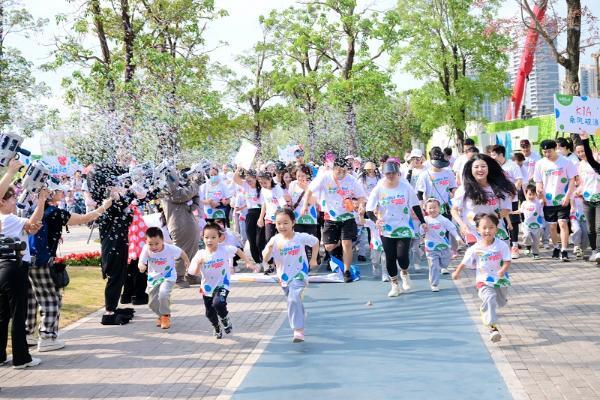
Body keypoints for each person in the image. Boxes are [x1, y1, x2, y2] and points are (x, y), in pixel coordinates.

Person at [27, 182, 112, 352]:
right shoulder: (56, 213)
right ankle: (47, 337)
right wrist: (104, 207)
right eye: (59, 190)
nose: (63, 192)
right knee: (51, 298)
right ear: (50, 193)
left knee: (32, 298)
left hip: (27, 259)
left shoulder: (33, 210)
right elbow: (85, 218)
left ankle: (28, 334)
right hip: (43, 261)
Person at [0, 159, 45, 369]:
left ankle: (1, 355)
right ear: (2, 200)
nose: (15, 201)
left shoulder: (5, 219)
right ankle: (21, 358)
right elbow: (33, 223)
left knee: (2, 315)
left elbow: (30, 228)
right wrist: (42, 201)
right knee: (19, 315)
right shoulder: (7, 218)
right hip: (14, 267)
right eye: (12, 198)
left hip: (2, 268)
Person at [366, 161, 426, 297]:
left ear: (398, 174)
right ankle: (394, 285)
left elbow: (415, 206)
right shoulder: (379, 188)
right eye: (388, 173)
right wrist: (376, 221)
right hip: (386, 228)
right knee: (390, 257)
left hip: (404, 226)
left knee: (402, 256)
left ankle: (404, 272)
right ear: (384, 174)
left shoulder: (405, 187)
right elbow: (369, 210)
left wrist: (423, 222)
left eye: (393, 173)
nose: (391, 176)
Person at [302, 157, 366, 283]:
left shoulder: (351, 180)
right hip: (330, 217)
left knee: (346, 244)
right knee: (329, 246)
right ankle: (339, 245)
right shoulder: (325, 178)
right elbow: (309, 190)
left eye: (344, 171)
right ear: (333, 169)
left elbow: (362, 197)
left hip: (347, 216)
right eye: (339, 171)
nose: (342, 174)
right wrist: (305, 205)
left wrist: (361, 205)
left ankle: (347, 271)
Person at [262, 208, 319, 343]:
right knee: (293, 299)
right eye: (279, 223)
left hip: (300, 273)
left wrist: (313, 259)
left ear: (293, 222)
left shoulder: (300, 237)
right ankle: (301, 315)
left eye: (285, 223)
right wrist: (269, 249)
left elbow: (315, 242)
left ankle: (298, 330)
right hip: (284, 277)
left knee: (293, 299)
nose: (282, 226)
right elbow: (265, 258)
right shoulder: (274, 240)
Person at [188, 223, 253, 339]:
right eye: (206, 237)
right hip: (207, 287)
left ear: (219, 238)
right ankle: (216, 326)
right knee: (209, 313)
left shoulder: (224, 250)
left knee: (218, 303)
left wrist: (247, 261)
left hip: (223, 284)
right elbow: (194, 273)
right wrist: (198, 264)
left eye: (213, 237)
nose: (209, 240)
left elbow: (238, 250)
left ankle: (225, 319)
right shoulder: (200, 254)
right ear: (202, 238)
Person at [452, 213, 511, 343]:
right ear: (478, 229)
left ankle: (488, 309)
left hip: (500, 280)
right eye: (484, 228)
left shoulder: (502, 245)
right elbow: (464, 262)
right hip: (483, 281)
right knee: (490, 299)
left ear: (496, 228)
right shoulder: (475, 248)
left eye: (491, 227)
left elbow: (507, 260)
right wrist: (457, 272)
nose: (487, 231)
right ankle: (493, 328)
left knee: (500, 302)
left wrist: (503, 270)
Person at [451, 154, 516, 245]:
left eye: (483, 166)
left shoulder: (499, 188)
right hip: (474, 231)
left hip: (496, 229)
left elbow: (506, 210)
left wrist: (490, 219)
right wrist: (462, 225)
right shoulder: (464, 189)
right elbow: (454, 210)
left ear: (489, 168)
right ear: (471, 169)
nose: (480, 169)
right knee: (481, 258)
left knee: (501, 257)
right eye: (476, 167)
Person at [534, 139, 577, 261]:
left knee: (562, 223)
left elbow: (572, 181)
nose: (547, 154)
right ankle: (556, 247)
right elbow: (538, 182)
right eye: (545, 152)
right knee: (552, 227)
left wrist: (568, 196)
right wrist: (540, 193)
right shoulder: (540, 164)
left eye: (549, 151)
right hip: (548, 201)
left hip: (563, 198)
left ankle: (564, 250)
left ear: (555, 149)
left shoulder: (566, 162)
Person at [138, 227, 190, 330]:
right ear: (146, 242)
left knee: (163, 294)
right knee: (152, 303)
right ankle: (161, 315)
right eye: (150, 244)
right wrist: (141, 266)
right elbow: (141, 262)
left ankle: (165, 316)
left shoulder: (170, 248)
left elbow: (181, 252)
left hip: (168, 276)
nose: (153, 247)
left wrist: (186, 261)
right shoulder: (146, 249)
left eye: (157, 243)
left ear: (162, 241)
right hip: (154, 278)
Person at [160, 170, 201, 288]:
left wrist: (194, 190)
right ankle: (178, 277)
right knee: (181, 250)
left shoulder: (179, 188)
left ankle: (191, 275)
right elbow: (181, 195)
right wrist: (195, 184)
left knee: (193, 249)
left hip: (189, 220)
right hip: (178, 224)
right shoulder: (166, 189)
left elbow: (192, 198)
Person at [490, 145, 523, 259]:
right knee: (501, 221)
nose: (492, 156)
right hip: (497, 200)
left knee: (513, 222)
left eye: (494, 154)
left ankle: (514, 246)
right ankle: (502, 247)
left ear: (501, 155)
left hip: (511, 198)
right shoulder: (493, 167)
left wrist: (512, 192)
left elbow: (519, 180)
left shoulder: (512, 165)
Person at [422, 198, 463, 292]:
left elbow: (452, 229)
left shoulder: (443, 219)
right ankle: (434, 284)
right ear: (426, 210)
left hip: (444, 246)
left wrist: (458, 238)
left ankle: (441, 268)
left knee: (444, 263)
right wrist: (423, 229)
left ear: (439, 208)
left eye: (434, 207)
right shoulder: (425, 220)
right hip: (431, 247)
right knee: (434, 266)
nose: (432, 210)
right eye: (430, 208)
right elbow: (420, 231)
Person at [574, 132, 600, 262]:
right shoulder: (579, 165)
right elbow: (582, 183)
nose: (581, 154)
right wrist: (578, 190)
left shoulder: (596, 163)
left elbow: (591, 157)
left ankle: (599, 252)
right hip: (587, 199)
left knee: (599, 227)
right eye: (578, 152)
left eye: (583, 151)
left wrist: (585, 140)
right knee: (590, 228)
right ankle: (594, 250)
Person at [257, 171, 289, 273]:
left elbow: (283, 204)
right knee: (269, 240)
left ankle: (283, 263)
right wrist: (261, 218)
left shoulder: (277, 189)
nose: (263, 185)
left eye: (264, 182)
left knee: (282, 240)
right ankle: (271, 264)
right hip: (269, 218)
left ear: (270, 179)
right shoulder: (263, 190)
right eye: (261, 183)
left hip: (279, 219)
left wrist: (285, 219)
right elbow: (264, 204)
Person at [288, 165, 320, 261]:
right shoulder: (292, 185)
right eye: (298, 176)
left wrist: (307, 188)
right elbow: (290, 200)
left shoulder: (312, 185)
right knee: (299, 241)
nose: (301, 178)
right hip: (297, 218)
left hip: (310, 217)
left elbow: (313, 201)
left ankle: (314, 258)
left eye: (303, 175)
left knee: (311, 240)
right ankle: (303, 262)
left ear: (307, 175)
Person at [416, 147, 456, 218]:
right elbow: (419, 194)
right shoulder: (424, 175)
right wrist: (421, 209)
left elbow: (453, 188)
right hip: (431, 210)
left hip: (445, 208)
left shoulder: (448, 172)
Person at [233, 168, 263, 263]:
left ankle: (264, 259)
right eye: (247, 180)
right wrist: (239, 168)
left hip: (261, 213)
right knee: (251, 238)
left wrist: (262, 218)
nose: (248, 182)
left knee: (260, 239)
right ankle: (257, 261)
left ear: (256, 178)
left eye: (250, 180)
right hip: (250, 214)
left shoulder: (262, 187)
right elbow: (235, 178)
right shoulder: (246, 186)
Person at [517, 184, 544, 260]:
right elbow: (520, 211)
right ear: (526, 194)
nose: (531, 196)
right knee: (526, 235)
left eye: (533, 194)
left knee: (536, 241)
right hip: (526, 225)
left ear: (536, 194)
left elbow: (542, 212)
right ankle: (528, 246)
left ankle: (535, 253)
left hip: (537, 225)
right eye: (530, 194)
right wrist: (512, 212)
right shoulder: (524, 203)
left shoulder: (538, 203)